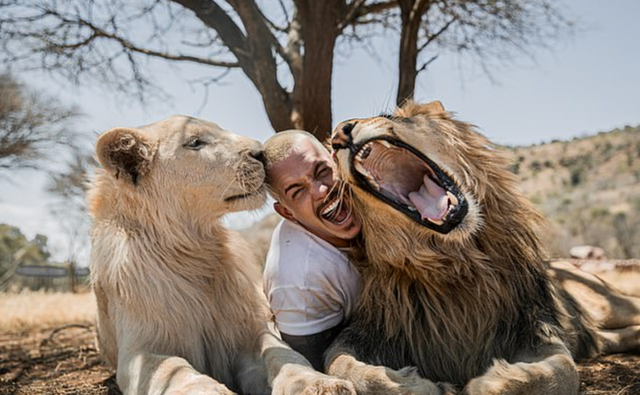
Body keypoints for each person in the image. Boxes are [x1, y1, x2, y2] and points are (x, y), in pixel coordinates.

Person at [262, 130, 362, 371]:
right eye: (298, 191)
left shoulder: (369, 188)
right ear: (287, 213)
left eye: (322, 172)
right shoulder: (298, 279)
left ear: (336, 162)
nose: (320, 191)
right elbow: (318, 370)